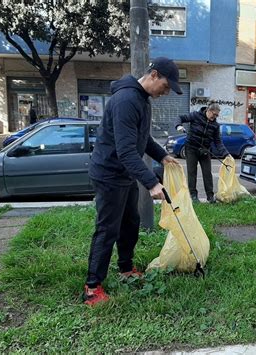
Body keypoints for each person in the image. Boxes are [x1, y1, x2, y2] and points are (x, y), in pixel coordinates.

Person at [83, 57, 182, 306]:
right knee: (108, 229)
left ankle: (125, 269)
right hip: (109, 174)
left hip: (124, 173)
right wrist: (152, 182)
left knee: (130, 222)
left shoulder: (141, 99)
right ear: (154, 75)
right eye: (166, 86)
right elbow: (126, 151)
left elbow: (143, 138)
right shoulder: (127, 100)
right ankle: (92, 287)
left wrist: (163, 155)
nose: (166, 92)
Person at [175, 101, 230, 203]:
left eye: (217, 115)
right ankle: (193, 196)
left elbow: (218, 141)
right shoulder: (196, 116)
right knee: (192, 173)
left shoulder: (215, 125)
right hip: (191, 148)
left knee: (207, 173)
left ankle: (210, 196)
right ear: (208, 110)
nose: (215, 117)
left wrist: (226, 154)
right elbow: (180, 118)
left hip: (205, 150)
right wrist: (179, 125)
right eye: (214, 114)